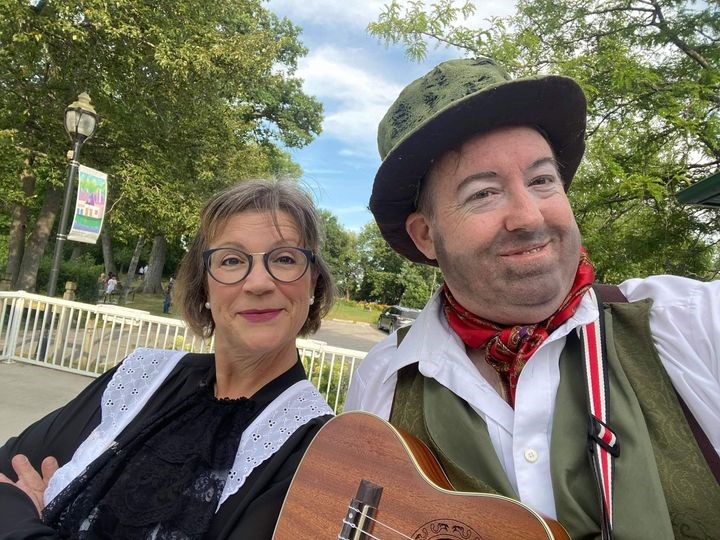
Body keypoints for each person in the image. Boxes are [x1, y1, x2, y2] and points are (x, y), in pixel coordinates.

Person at [345, 58, 720, 539]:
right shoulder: (384, 380)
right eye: (483, 193)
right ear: (425, 236)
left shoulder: (687, 325)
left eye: (543, 180)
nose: (528, 215)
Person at [0, 179, 335, 538]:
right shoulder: (141, 377)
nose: (258, 283)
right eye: (232, 260)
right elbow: (9, 464)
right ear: (204, 286)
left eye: (285, 259)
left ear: (313, 282)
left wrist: (19, 518)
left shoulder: (315, 453)